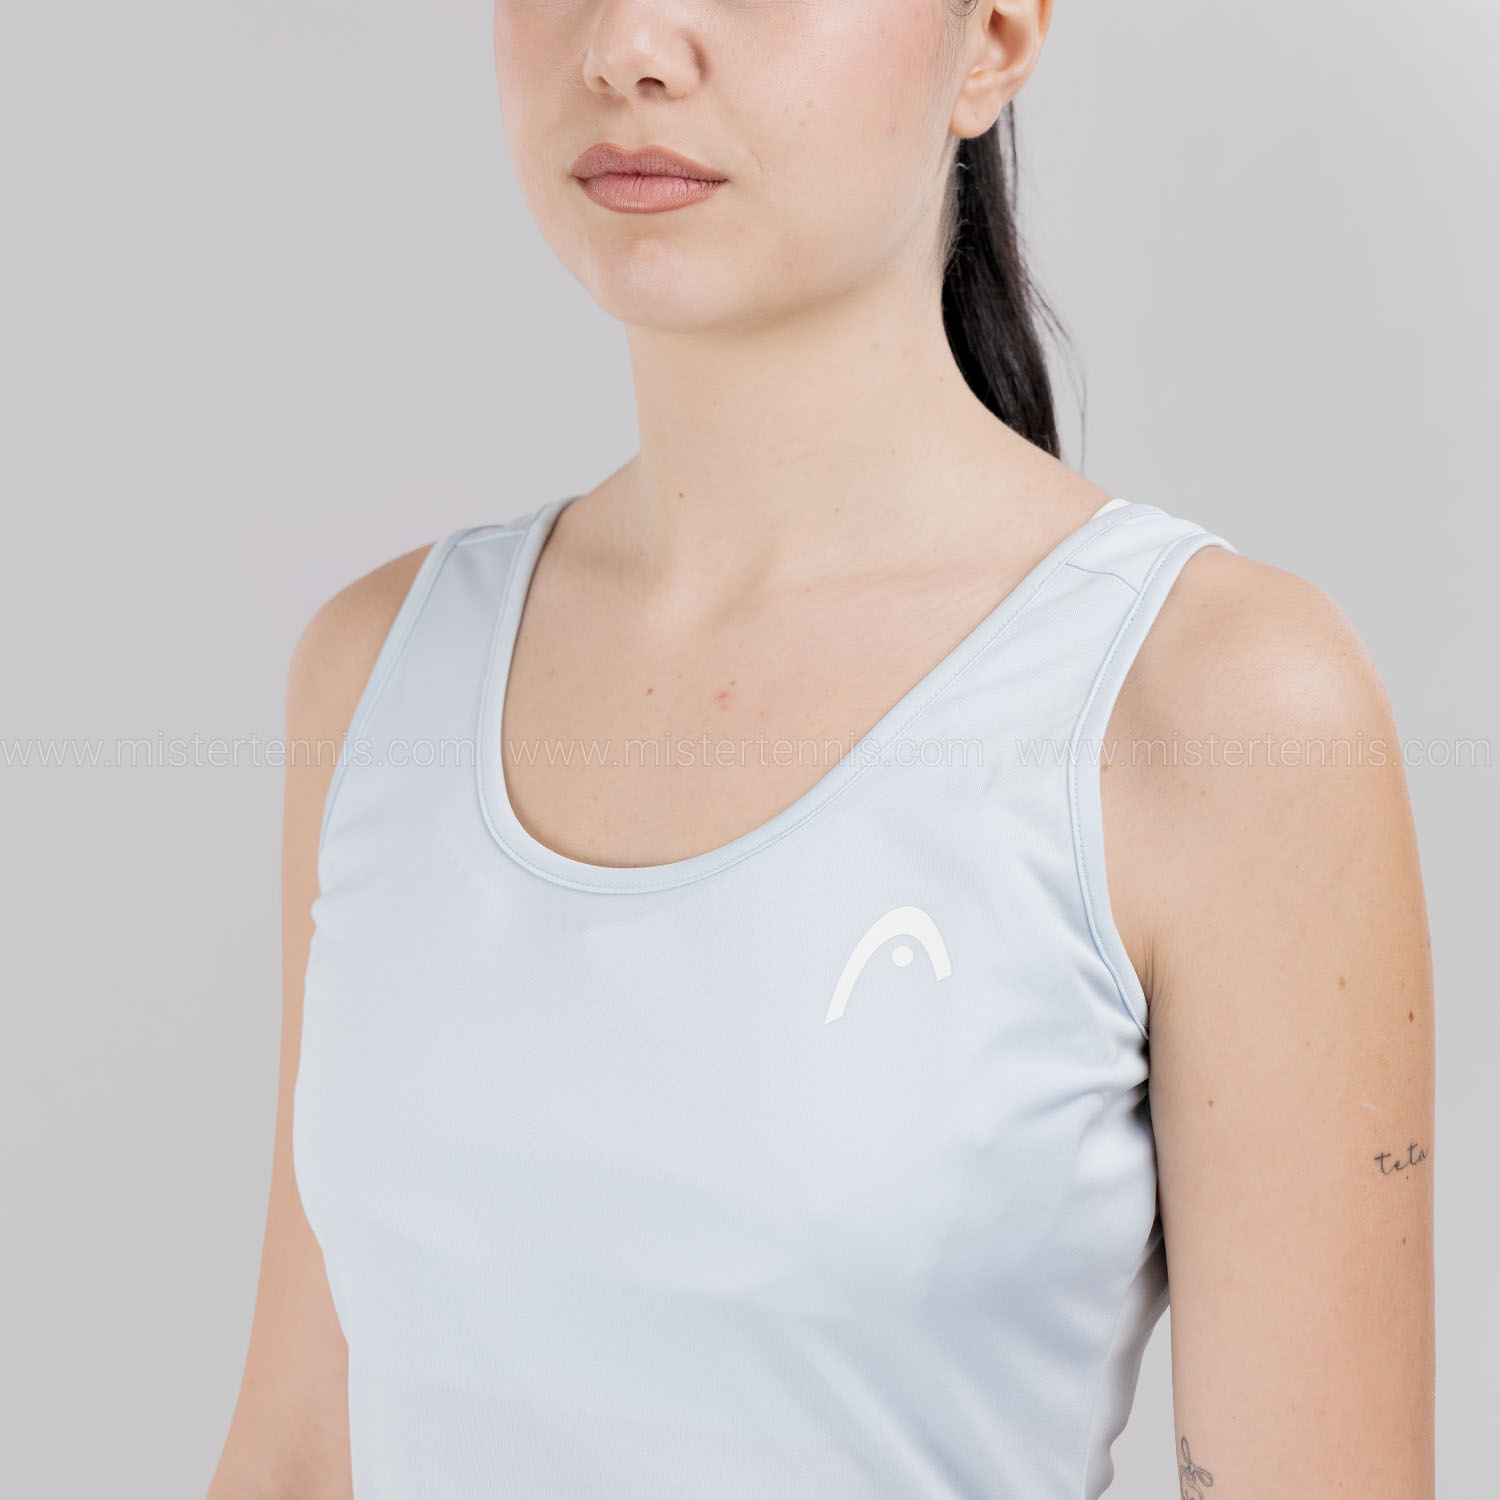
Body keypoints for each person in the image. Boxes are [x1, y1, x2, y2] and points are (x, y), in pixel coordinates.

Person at [207, 0, 1435, 1495]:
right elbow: (298, 1452)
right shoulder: (380, 675)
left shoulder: (1214, 710)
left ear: (993, 39)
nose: (630, 43)